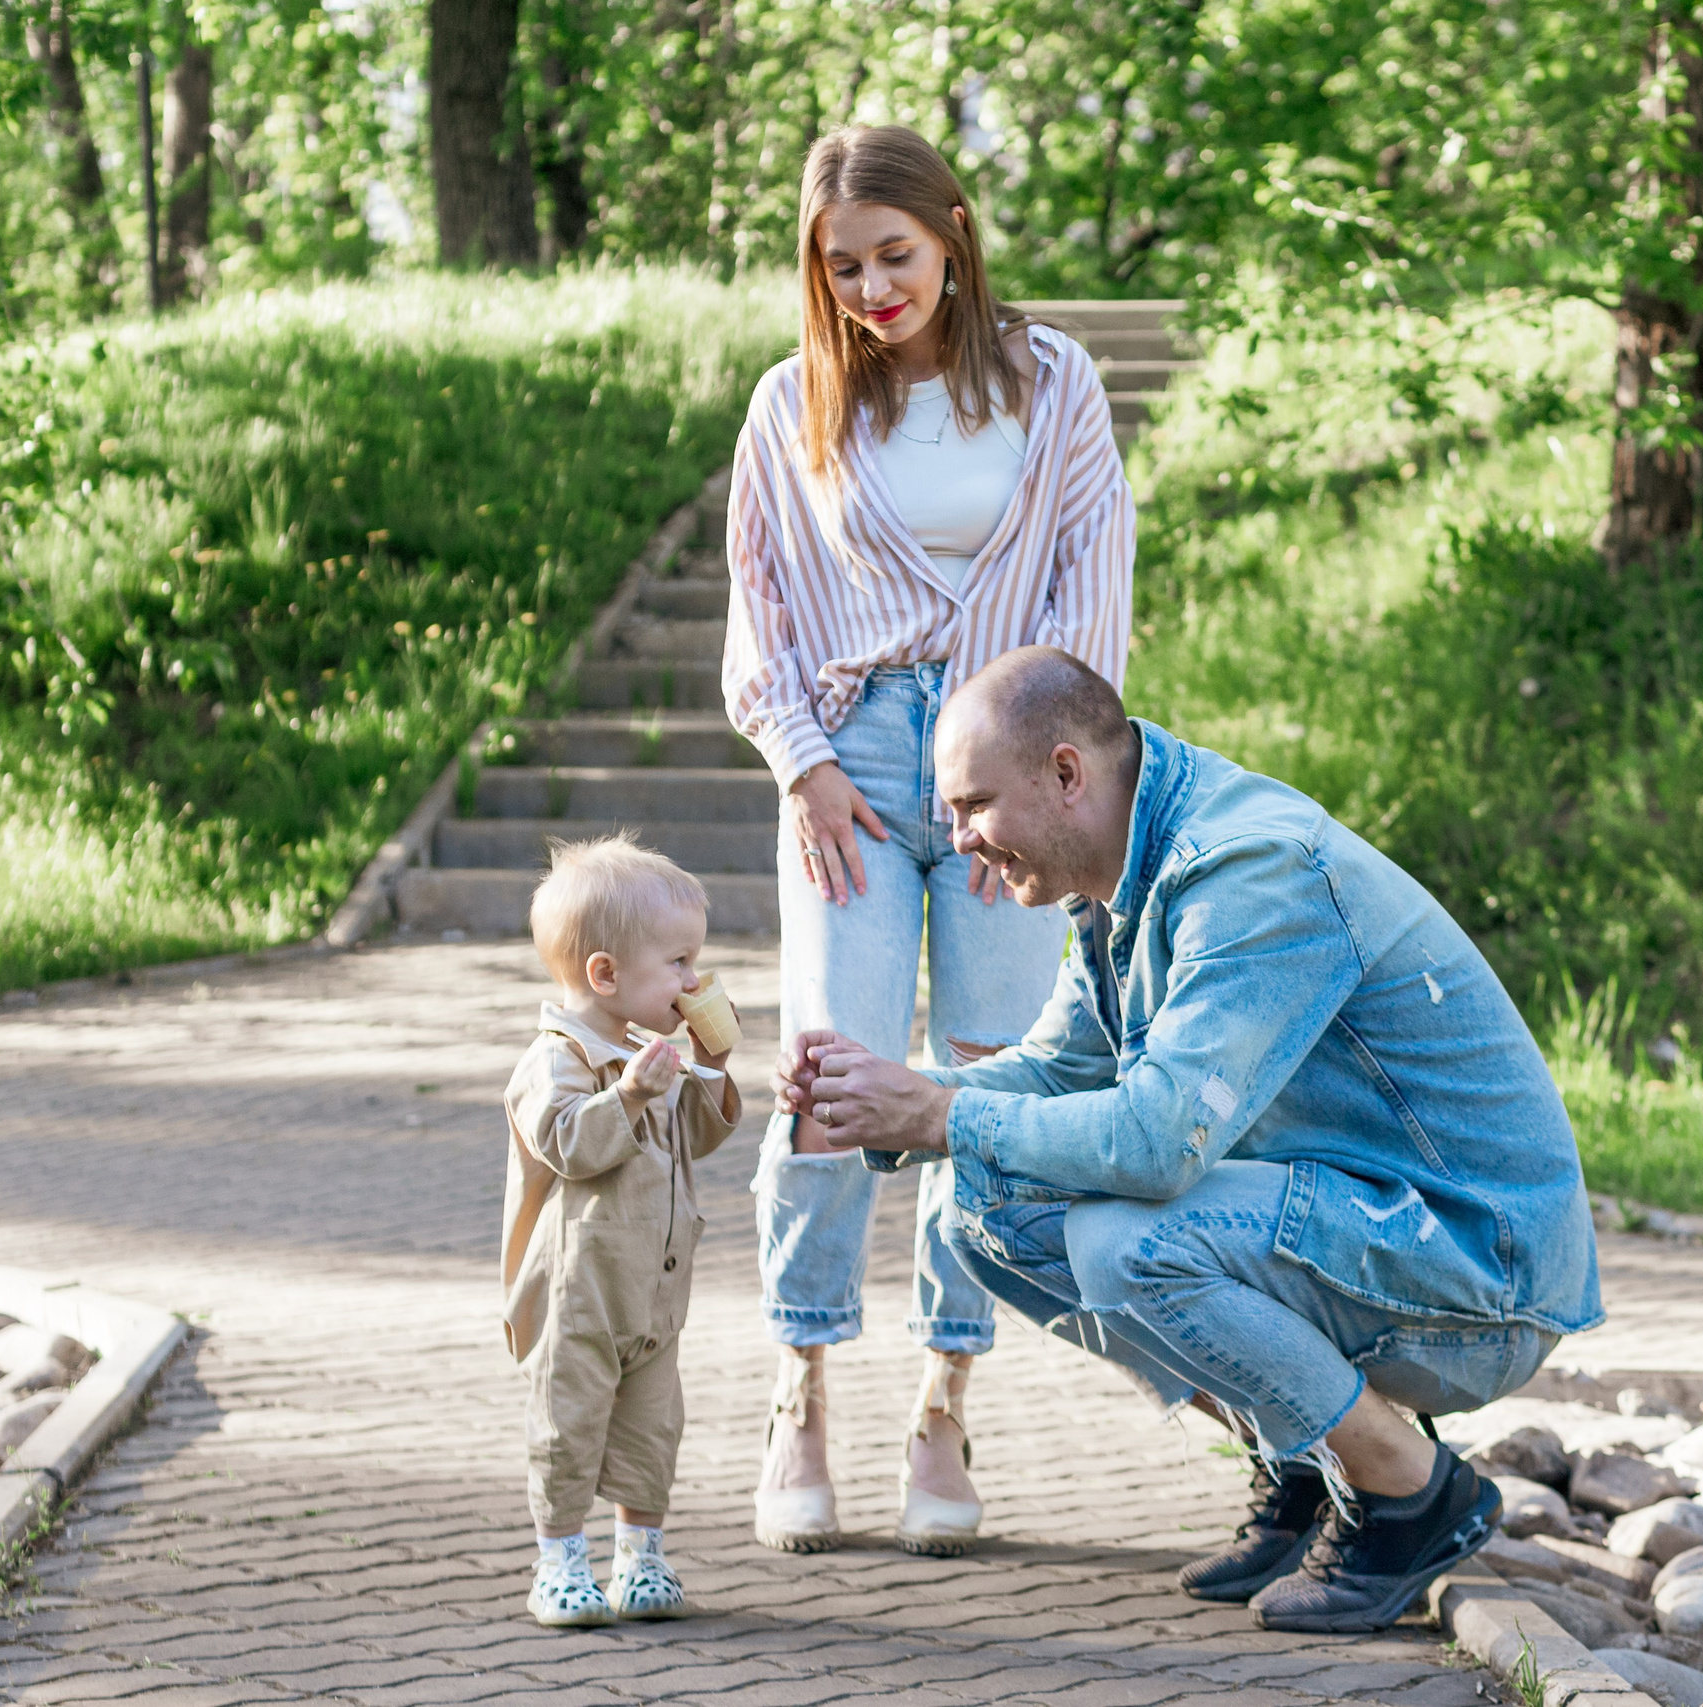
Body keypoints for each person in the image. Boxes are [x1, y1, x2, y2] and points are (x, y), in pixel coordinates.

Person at [776, 648, 1604, 1634]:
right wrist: (900, 1096)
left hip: (1481, 1268)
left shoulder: (1246, 869)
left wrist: (940, 1116)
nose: (959, 844)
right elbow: (1061, 1072)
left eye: (972, 806)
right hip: (1369, 1226)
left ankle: (1410, 1492)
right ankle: (1302, 1462)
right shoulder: (1123, 875)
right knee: (983, 1208)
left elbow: (1158, 1143)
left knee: (1127, 1244)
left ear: (1067, 773)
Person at [721, 125, 1133, 1557]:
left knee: (982, 1073)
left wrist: (1024, 785)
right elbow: (760, 611)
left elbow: (1093, 585)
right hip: (849, 765)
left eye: (895, 254)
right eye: (843, 266)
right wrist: (805, 765)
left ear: (953, 232)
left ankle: (946, 1400)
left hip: (1009, 762)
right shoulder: (793, 405)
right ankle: (799, 1384)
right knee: (833, 1067)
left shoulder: (1054, 380)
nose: (872, 286)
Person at [500, 835, 742, 1626]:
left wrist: (711, 1063)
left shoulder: (648, 1052)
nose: (691, 979)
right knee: (569, 1422)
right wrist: (631, 1096)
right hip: (582, 1293)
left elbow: (696, 1138)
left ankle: (640, 1556)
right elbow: (567, 1142)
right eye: (676, 962)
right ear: (605, 975)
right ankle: (559, 1560)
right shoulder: (559, 1058)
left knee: (651, 1428)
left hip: (657, 1288)